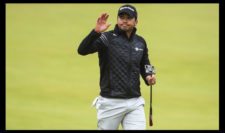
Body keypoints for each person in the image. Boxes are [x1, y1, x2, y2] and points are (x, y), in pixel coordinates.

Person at [77, 4, 156, 130]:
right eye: (121, 17)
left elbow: (145, 62)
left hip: (135, 101)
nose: (124, 20)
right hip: (110, 102)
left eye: (128, 18)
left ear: (136, 21)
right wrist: (95, 32)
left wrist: (149, 75)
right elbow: (82, 50)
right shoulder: (106, 38)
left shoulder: (140, 41)